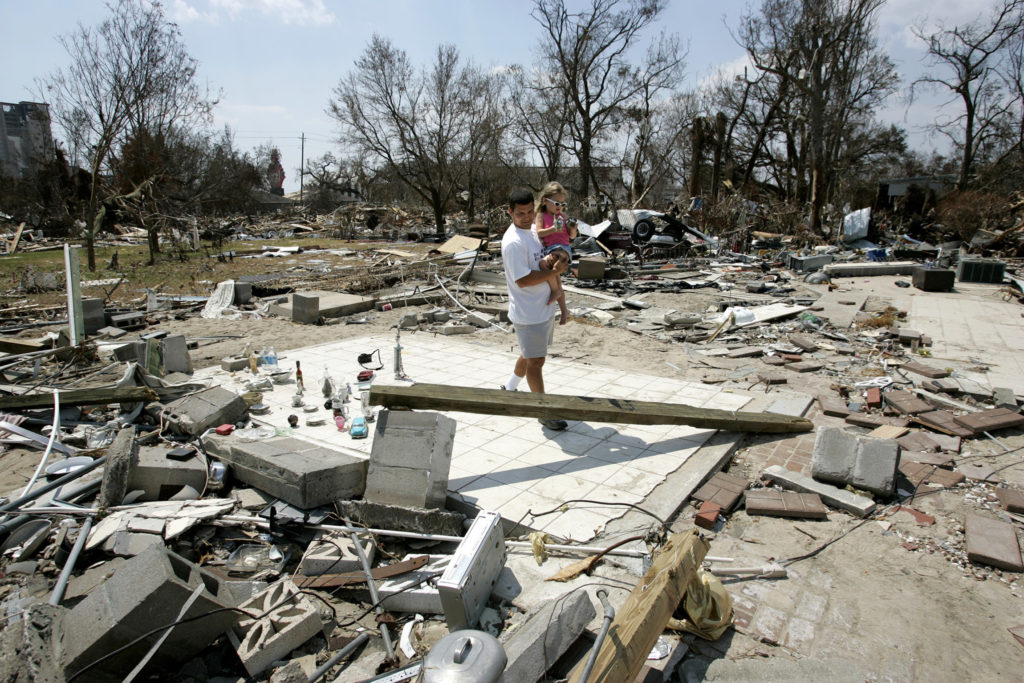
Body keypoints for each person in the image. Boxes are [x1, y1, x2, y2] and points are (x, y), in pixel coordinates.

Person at [501, 187, 569, 431]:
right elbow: (523, 280)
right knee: (536, 361)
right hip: (528, 312)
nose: (526, 217)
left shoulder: (531, 231)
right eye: (520, 213)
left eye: (530, 211)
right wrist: (553, 273)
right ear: (510, 212)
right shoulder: (513, 243)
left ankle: (509, 387)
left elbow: (548, 251)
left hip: (542, 308)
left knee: (530, 354)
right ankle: (542, 410)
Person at [534, 182, 576, 325]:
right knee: (555, 276)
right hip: (551, 248)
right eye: (557, 203)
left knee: (543, 264)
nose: (560, 207)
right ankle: (564, 310)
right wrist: (553, 229)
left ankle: (555, 292)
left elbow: (571, 237)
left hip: (563, 249)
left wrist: (573, 228)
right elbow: (539, 232)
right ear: (545, 200)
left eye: (562, 204)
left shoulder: (562, 216)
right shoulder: (541, 215)